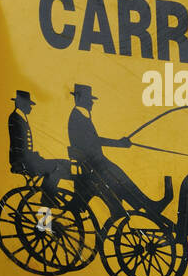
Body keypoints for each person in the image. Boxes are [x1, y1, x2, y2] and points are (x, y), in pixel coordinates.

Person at [67, 83, 171, 217]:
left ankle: (144, 204)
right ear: (80, 99)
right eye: (89, 100)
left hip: (92, 161)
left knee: (119, 177)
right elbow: (94, 141)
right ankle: (147, 205)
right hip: (92, 162)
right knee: (119, 177)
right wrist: (119, 143)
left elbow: (93, 140)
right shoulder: (78, 117)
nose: (92, 104)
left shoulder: (80, 116)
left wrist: (120, 143)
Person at [8, 90, 68, 203]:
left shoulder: (20, 117)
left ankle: (48, 193)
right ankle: (47, 196)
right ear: (21, 104)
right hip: (21, 161)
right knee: (58, 166)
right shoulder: (16, 118)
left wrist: (35, 157)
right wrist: (34, 158)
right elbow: (19, 146)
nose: (30, 108)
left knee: (61, 163)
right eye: (29, 105)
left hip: (25, 159)